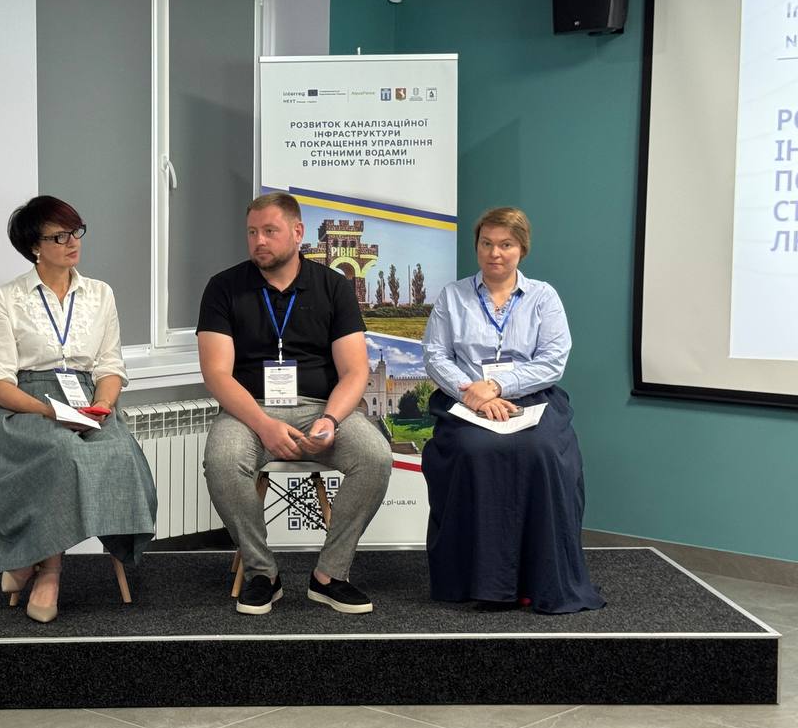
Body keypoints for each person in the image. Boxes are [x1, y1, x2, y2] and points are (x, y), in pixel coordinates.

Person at [198, 192, 393, 615]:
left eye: (270, 231)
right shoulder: (223, 287)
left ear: (298, 232)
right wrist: (264, 425)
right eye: (252, 232)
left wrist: (331, 419)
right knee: (222, 459)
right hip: (248, 410)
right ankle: (262, 573)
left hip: (320, 407)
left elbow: (355, 371)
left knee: (375, 456)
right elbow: (216, 374)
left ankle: (330, 574)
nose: (259, 241)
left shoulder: (333, 286)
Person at [0, 196, 157, 623]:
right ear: (34, 246)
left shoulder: (100, 293)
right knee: (63, 452)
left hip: (89, 398)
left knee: (120, 451)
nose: (72, 242)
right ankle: (49, 570)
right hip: (30, 405)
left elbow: (110, 366)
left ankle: (26, 559)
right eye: (59, 236)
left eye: (76, 232)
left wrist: (103, 405)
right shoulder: (7, 298)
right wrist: (51, 412)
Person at [421, 207, 604, 614]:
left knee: (542, 451)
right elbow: (435, 355)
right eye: (486, 243)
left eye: (505, 244)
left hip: (532, 399)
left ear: (522, 248)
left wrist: (500, 386)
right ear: (477, 246)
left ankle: (540, 580)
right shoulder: (453, 296)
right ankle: (482, 582)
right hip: (468, 400)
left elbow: (553, 361)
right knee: (472, 450)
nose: (495, 253)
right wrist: (474, 393)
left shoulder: (543, 297)